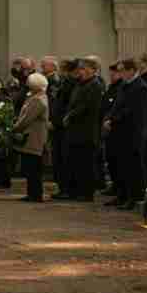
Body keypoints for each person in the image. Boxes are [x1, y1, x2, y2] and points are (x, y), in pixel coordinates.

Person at [104, 59, 147, 209]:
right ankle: (121, 194)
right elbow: (117, 105)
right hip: (119, 132)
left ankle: (133, 197)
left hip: (132, 132)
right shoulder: (124, 85)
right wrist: (109, 117)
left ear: (131, 71)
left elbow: (132, 110)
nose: (120, 73)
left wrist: (113, 120)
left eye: (122, 70)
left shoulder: (140, 87)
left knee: (132, 166)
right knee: (120, 165)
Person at [60, 56, 104, 201]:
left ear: (93, 70)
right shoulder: (80, 84)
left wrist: (70, 115)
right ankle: (75, 190)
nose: (81, 72)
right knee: (75, 161)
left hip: (86, 130)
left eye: (84, 69)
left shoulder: (95, 85)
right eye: (81, 69)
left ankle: (86, 192)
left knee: (86, 163)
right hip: (75, 130)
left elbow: (86, 106)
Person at [13, 72, 50, 202]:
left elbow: (27, 118)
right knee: (30, 167)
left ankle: (35, 194)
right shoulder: (35, 97)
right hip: (31, 136)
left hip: (34, 137)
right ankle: (32, 193)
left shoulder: (38, 100)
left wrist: (15, 127)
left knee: (34, 167)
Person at [49, 59, 77, 198]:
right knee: (58, 158)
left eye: (61, 68)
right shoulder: (63, 82)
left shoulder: (70, 83)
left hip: (62, 126)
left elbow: (65, 105)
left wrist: (57, 121)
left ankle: (66, 189)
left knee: (63, 159)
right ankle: (62, 188)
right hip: (57, 124)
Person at [100, 63, 123, 197]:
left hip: (115, 127)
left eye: (113, 73)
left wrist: (110, 119)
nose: (111, 76)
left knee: (115, 159)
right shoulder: (111, 87)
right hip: (107, 125)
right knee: (109, 159)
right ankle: (114, 185)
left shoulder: (120, 88)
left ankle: (118, 187)